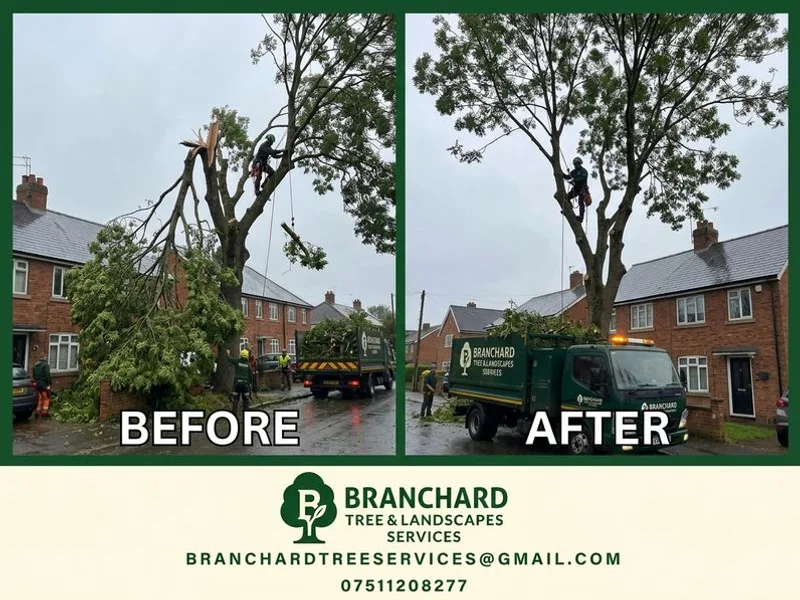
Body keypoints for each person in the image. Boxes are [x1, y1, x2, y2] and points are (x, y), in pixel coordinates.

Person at [562, 157, 590, 223]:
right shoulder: (573, 172)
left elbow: (583, 178)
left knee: (581, 202)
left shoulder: (583, 171)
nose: (576, 165)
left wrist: (574, 180)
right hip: (576, 189)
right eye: (575, 164)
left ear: (580, 164)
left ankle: (581, 217)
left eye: (577, 164)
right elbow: (567, 177)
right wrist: (561, 173)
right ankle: (569, 209)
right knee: (566, 197)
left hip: (582, 189)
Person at [226, 348, 253, 414]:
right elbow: (251, 376)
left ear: (241, 355)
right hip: (245, 385)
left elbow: (229, 359)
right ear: (247, 356)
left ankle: (234, 414)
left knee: (235, 399)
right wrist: (250, 384)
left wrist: (227, 353)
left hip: (237, 383)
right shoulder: (248, 364)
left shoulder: (237, 361)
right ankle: (246, 415)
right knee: (245, 400)